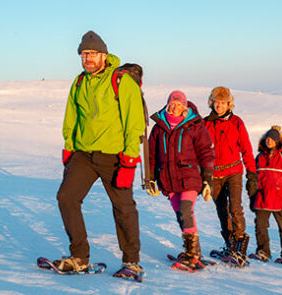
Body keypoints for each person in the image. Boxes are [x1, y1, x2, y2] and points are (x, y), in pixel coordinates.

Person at [55, 30, 146, 280]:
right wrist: (69, 148)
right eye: (84, 54)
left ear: (104, 55)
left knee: (123, 207)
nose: (88, 58)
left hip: (114, 156)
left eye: (93, 53)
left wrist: (129, 159)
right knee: (66, 197)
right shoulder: (79, 82)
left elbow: (134, 122)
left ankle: (132, 261)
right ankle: (79, 257)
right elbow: (71, 117)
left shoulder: (121, 81)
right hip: (83, 154)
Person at [146, 91, 214, 271]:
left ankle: (192, 256)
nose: (175, 106)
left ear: (185, 105)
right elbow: (151, 155)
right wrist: (150, 179)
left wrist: (208, 180)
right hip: (168, 179)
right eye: (172, 103)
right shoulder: (159, 127)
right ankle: (194, 252)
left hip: (190, 177)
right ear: (168, 105)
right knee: (182, 215)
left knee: (185, 211)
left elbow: (206, 152)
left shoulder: (194, 125)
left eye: (179, 103)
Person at [202, 86, 257, 266]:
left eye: (223, 103)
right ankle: (229, 245)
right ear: (212, 103)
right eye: (216, 102)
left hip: (233, 171)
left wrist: (252, 174)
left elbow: (246, 149)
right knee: (222, 211)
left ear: (228, 104)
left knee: (235, 207)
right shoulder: (206, 123)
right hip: (214, 174)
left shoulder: (237, 122)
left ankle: (240, 248)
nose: (219, 106)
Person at [250, 125, 282, 266]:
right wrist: (253, 194)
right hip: (262, 199)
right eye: (267, 139)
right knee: (260, 226)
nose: (269, 141)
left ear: (277, 141)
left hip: (279, 199)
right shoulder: (260, 157)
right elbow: (253, 178)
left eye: (272, 139)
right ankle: (263, 252)